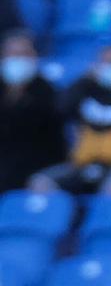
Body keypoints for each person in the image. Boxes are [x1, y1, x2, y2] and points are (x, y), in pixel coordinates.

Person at [31, 44, 111, 195]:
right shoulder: (87, 92)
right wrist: (85, 79)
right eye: (108, 62)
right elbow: (63, 106)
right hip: (85, 164)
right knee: (41, 182)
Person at [0, 31, 67, 193]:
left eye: (24, 54)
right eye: (13, 54)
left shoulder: (47, 92)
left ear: (34, 57)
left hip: (37, 164)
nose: (18, 60)